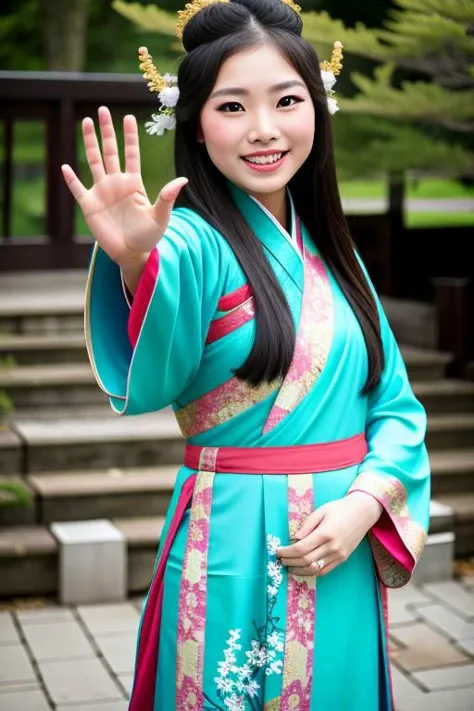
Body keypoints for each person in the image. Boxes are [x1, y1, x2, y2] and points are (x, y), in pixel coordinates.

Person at [62, 1, 431, 709]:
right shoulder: (193, 242)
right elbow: (158, 365)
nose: (264, 129)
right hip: (229, 542)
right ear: (197, 125)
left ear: (317, 112)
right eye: (232, 106)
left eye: (287, 100)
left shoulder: (336, 255)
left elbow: (396, 404)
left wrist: (364, 504)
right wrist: (141, 263)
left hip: (340, 551)